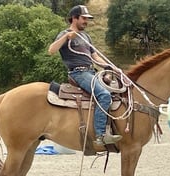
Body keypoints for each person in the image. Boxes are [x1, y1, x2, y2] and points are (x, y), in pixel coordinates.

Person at [48, 5, 122, 146]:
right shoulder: (65, 33)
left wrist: (110, 67)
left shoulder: (86, 36)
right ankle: (100, 135)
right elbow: (51, 50)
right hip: (78, 73)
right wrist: (65, 37)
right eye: (84, 18)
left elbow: (95, 57)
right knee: (104, 95)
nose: (86, 21)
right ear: (74, 18)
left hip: (91, 71)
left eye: (87, 19)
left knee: (115, 92)